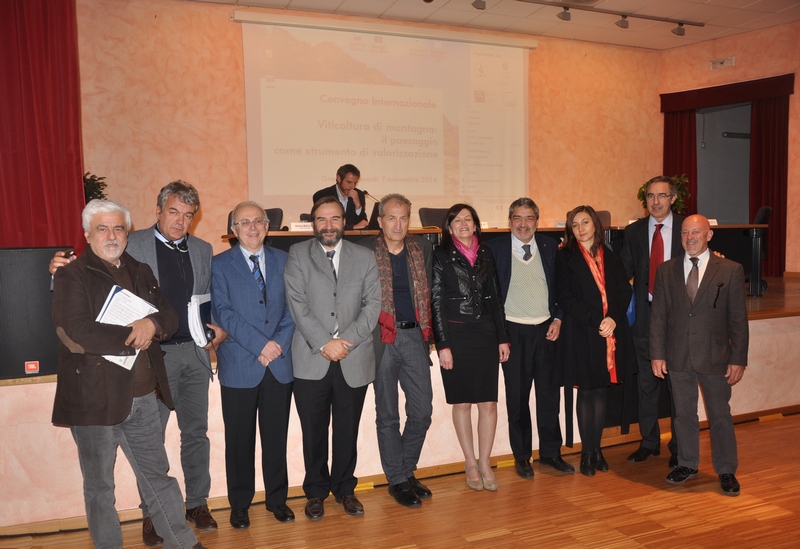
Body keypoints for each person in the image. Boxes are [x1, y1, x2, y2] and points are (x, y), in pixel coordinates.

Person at [50, 181, 225, 545]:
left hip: (144, 395)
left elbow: (171, 317)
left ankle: (184, 543)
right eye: (102, 228)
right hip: (94, 400)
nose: (111, 235)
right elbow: (76, 332)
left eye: (118, 228)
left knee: (157, 477)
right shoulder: (71, 274)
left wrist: (152, 324)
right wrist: (136, 335)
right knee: (100, 487)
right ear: (87, 233)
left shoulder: (141, 270)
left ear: (127, 233)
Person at [284, 195, 381, 520]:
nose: (329, 225)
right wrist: (326, 342)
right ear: (314, 223)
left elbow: (372, 306)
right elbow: (298, 305)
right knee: (313, 431)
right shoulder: (297, 255)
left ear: (344, 222)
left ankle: (345, 489)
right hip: (313, 357)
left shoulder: (365, 257)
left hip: (353, 358)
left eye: (335, 219)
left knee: (347, 430)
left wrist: (346, 341)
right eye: (322, 220)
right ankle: (315, 492)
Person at [650, 215, 748, 496]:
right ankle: (687, 463)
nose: (689, 237)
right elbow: (658, 317)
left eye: (696, 232)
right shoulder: (666, 270)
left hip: (716, 355)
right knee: (683, 414)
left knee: (720, 415)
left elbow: (738, 319)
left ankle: (726, 470)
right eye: (685, 232)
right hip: (677, 355)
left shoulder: (729, 270)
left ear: (709, 235)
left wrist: (738, 358)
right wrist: (657, 354)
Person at [211, 201, 296, 527]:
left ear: (266, 226)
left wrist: (275, 346)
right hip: (239, 366)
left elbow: (293, 309)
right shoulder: (219, 265)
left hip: (278, 365)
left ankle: (278, 500)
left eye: (257, 221)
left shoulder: (284, 261)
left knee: (276, 438)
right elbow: (223, 312)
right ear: (233, 230)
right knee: (239, 441)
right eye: (244, 222)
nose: (252, 227)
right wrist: (261, 345)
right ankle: (240, 505)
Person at [486, 198, 574, 479]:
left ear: (537, 221)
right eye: (517, 218)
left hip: (547, 332)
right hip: (513, 333)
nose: (523, 224)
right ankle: (522, 456)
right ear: (509, 220)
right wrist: (500, 335)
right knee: (517, 399)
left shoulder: (551, 247)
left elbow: (562, 288)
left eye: (529, 219)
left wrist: (558, 318)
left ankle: (551, 453)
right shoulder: (495, 249)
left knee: (549, 397)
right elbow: (490, 296)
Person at [359, 194, 435, 508]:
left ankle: (403, 471)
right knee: (387, 414)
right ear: (380, 221)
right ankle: (399, 479)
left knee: (422, 412)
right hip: (380, 339)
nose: (398, 224)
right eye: (391, 217)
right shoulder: (364, 254)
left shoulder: (423, 249)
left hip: (414, 337)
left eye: (404, 218)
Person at [431, 203, 511, 492]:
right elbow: (436, 302)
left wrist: (503, 337)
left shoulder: (487, 253)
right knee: (463, 403)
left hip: (486, 334)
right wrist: (443, 344)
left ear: (476, 225)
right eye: (457, 220)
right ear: (449, 227)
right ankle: (469, 461)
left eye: (468, 219)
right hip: (457, 335)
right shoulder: (440, 255)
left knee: (488, 403)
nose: (464, 224)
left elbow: (496, 297)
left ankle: (486, 461)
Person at [555, 205, 635, 477]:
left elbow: (625, 289)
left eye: (585, 222)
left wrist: (612, 317)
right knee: (586, 392)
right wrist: (597, 319)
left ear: (595, 225)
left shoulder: (610, 255)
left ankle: (597, 448)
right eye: (575, 224)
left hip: (609, 332)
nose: (580, 228)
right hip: (583, 333)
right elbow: (565, 298)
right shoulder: (565, 257)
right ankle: (587, 453)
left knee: (601, 391)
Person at [621, 175, 683, 468]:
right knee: (646, 384)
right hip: (644, 320)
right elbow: (622, 272)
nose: (656, 202)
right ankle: (649, 441)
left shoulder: (688, 229)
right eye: (650, 196)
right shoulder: (633, 232)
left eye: (661, 196)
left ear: (673, 198)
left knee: (677, 387)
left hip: (677, 322)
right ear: (644, 201)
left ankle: (680, 446)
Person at [312, 164, 369, 229]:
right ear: (339, 178)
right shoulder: (322, 195)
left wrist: (358, 206)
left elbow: (363, 223)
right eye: (349, 182)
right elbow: (323, 224)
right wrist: (352, 227)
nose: (352, 187)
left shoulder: (359, 195)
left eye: (355, 183)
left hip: (353, 238)